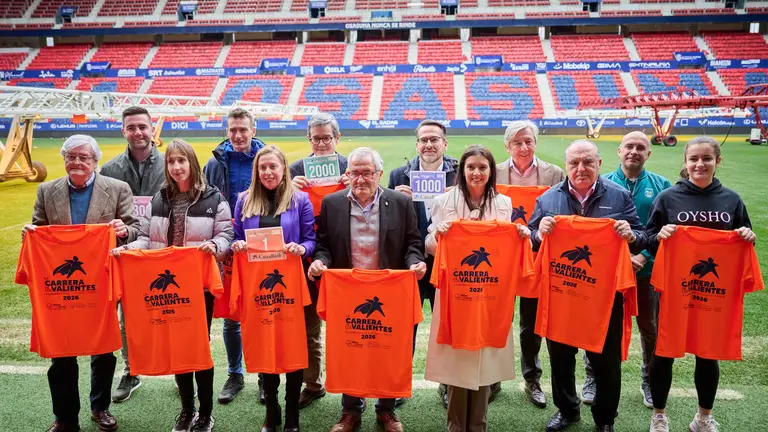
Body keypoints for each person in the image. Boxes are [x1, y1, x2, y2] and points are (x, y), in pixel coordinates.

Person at [527, 140, 647, 432]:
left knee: (606, 361)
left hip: (605, 296)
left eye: (587, 162)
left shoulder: (618, 197)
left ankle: (605, 418)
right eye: (574, 163)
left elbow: (642, 235)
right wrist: (538, 234)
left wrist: (631, 235)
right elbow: (529, 238)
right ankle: (567, 410)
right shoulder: (548, 198)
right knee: (561, 357)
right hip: (562, 293)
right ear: (566, 165)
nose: (580, 168)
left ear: (599, 163)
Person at [23, 134, 139, 432]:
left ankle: (100, 408)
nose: (76, 162)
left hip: (100, 282)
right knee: (61, 351)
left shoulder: (117, 189)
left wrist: (124, 229)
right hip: (62, 288)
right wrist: (31, 232)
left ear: (95, 162)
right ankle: (65, 417)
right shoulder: (47, 191)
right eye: (71, 157)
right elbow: (40, 228)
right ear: (64, 160)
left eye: (83, 157)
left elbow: (137, 227)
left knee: (102, 349)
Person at [308, 147, 427, 432]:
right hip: (348, 293)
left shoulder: (400, 202)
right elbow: (324, 245)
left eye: (367, 173)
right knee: (351, 348)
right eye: (355, 173)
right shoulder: (333, 203)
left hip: (388, 292)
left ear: (379, 174)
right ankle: (351, 409)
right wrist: (320, 262)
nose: (360, 179)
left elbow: (413, 243)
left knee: (389, 349)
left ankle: (386, 410)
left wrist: (415, 263)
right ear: (347, 174)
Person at [120, 139, 233, 432]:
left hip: (200, 287)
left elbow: (226, 234)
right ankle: (187, 410)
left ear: (192, 163)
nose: (176, 166)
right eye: (171, 162)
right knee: (178, 348)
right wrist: (129, 248)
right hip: (171, 288)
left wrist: (215, 245)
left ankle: (206, 413)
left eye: (182, 160)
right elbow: (146, 238)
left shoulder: (214, 198)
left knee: (198, 347)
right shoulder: (159, 199)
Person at [646, 136, 756, 432]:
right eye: (694, 158)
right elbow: (647, 238)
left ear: (717, 161)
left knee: (708, 352)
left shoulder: (731, 200)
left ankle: (703, 417)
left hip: (713, 293)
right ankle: (659, 414)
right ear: (685, 162)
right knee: (665, 351)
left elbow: (744, 236)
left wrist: (747, 236)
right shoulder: (668, 198)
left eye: (706, 158)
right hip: (674, 288)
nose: (699, 164)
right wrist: (661, 236)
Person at [425, 144, 530, 432]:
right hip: (455, 292)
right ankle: (456, 426)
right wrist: (438, 235)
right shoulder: (443, 200)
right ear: (462, 171)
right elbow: (430, 247)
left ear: (490, 172)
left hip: (490, 292)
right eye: (470, 167)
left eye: (482, 167)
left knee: (485, 359)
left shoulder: (504, 204)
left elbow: (507, 250)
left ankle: (478, 424)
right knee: (458, 357)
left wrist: (522, 236)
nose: (476, 172)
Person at [230, 146, 316, 432]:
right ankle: (272, 410)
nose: (267, 172)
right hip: (259, 290)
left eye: (273, 167)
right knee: (265, 345)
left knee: (292, 347)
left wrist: (302, 248)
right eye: (262, 167)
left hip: (290, 287)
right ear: (257, 171)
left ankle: (292, 412)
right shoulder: (243, 200)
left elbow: (311, 239)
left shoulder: (300, 200)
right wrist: (237, 244)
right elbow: (237, 237)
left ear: (284, 170)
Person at [494, 120, 565, 408]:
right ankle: (492, 379)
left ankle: (532, 379)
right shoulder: (494, 171)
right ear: (507, 145)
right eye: (517, 142)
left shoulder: (554, 173)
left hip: (538, 258)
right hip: (500, 258)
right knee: (496, 319)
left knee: (531, 323)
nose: (524, 147)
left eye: (529, 141)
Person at [388, 119, 458, 409]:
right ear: (416, 144)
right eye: (424, 140)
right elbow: (386, 216)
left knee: (448, 326)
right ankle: (397, 384)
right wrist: (394, 199)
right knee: (405, 327)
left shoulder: (458, 174)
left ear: (445, 143)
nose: (429, 145)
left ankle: (448, 383)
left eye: (434, 139)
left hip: (449, 260)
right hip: (410, 260)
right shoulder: (397, 175)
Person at [100, 105, 166, 403]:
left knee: (172, 310)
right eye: (131, 127)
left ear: (153, 129)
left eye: (143, 126)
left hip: (163, 249)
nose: (138, 132)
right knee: (127, 315)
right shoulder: (111, 169)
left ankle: (181, 370)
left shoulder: (172, 164)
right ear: (123, 131)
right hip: (126, 251)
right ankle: (131, 369)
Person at [602, 131, 671, 409]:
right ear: (619, 151)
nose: (634, 151)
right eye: (629, 146)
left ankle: (649, 379)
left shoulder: (662, 185)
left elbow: (664, 231)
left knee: (650, 328)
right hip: (607, 273)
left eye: (640, 147)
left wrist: (643, 255)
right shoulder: (602, 182)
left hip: (647, 270)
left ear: (648, 153)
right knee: (602, 325)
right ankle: (594, 377)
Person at [203, 107, 266, 405]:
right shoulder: (214, 163)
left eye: (243, 129)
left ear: (254, 129)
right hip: (229, 245)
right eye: (232, 130)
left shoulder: (268, 157)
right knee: (231, 314)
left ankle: (266, 376)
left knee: (265, 310)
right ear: (226, 131)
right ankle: (235, 373)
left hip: (262, 242)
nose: (238, 135)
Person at [289, 113, 349, 409]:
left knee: (348, 324)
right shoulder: (296, 170)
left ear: (337, 138)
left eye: (327, 137)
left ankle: (352, 385)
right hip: (308, 254)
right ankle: (313, 384)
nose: (322, 143)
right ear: (309, 140)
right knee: (309, 323)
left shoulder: (352, 166)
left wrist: (354, 185)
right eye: (317, 138)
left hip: (345, 254)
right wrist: (291, 189)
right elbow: (282, 210)